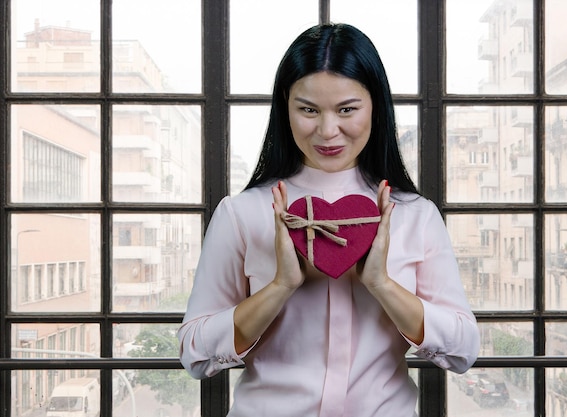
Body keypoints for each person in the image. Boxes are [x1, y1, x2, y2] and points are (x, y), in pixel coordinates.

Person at [178, 22, 480, 417]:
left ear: (376, 106)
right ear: (285, 106)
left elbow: (462, 351)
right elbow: (194, 354)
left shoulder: (414, 215)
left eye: (347, 110)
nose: (327, 130)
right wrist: (281, 285)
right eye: (308, 110)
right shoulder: (242, 214)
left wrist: (381, 284)